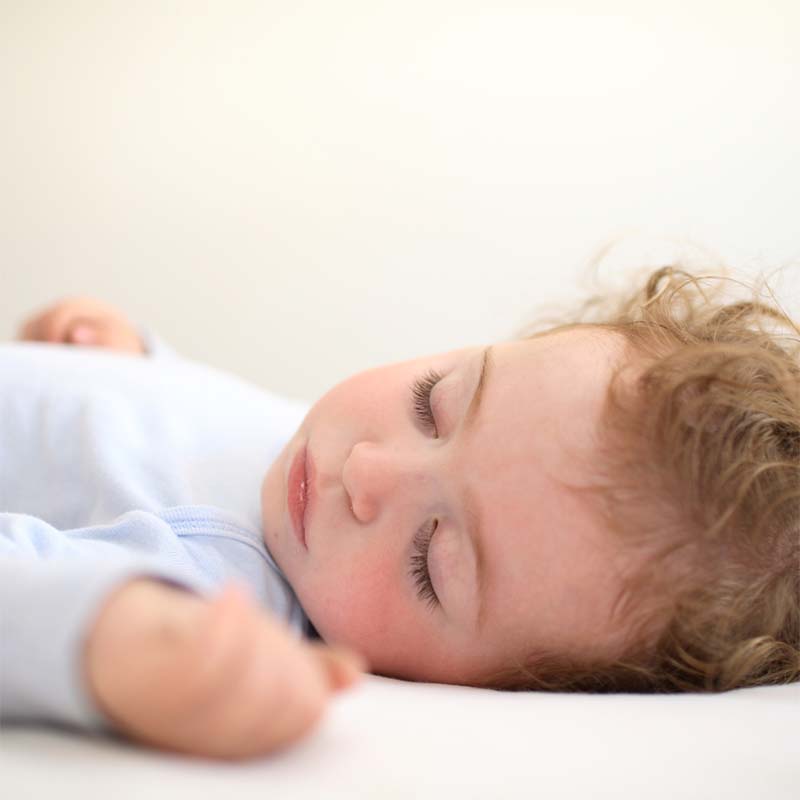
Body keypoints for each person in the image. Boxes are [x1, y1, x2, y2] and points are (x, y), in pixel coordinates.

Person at [2, 267, 798, 761]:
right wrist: (133, 363)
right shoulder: (306, 452)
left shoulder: (221, 575)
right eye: (433, 403)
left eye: (432, 558)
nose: (368, 470)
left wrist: (109, 640)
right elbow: (206, 429)